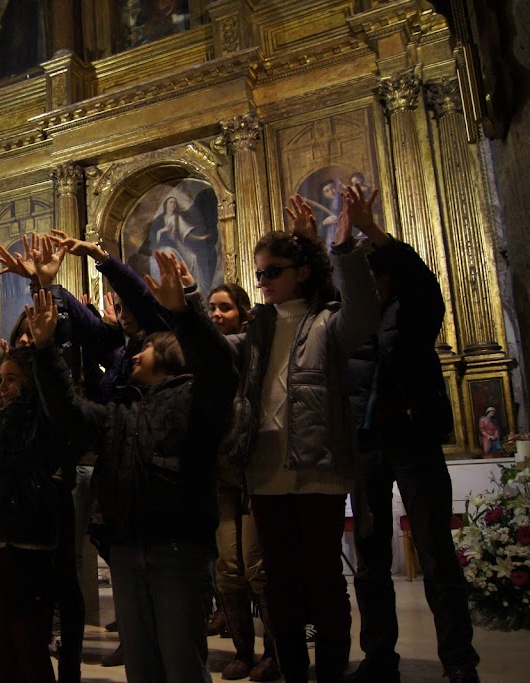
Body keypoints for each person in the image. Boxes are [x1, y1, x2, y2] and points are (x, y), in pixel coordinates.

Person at [33, 252, 238, 683]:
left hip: (178, 550)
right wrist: (46, 351)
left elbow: (218, 366)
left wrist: (186, 311)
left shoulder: (198, 399)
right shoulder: (121, 410)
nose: (134, 352)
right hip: (127, 548)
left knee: (182, 662)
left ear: (168, 354)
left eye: (145, 347)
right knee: (142, 666)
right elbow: (70, 412)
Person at [226, 187, 382, 683]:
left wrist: (344, 247)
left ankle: (330, 675)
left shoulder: (327, 323)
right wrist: (183, 301)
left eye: (274, 272)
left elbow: (365, 313)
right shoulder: (259, 329)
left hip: (318, 469)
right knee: (279, 583)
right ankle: (294, 673)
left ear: (303, 273)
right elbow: (209, 348)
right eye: (260, 274)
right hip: (267, 471)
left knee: (323, 579)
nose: (264, 282)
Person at [346, 232, 481, 683]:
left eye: (376, 275)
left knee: (436, 553)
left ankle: (459, 659)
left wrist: (380, 238)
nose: (371, 284)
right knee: (370, 558)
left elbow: (422, 283)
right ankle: (380, 656)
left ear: (387, 276)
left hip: (412, 440)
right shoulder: (352, 321)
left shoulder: (415, 310)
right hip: (366, 445)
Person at [0, 251, 67, 682]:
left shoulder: (43, 407)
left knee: (27, 643)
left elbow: (55, 371)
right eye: (1, 380)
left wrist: (42, 289)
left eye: (11, 380)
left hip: (22, 534)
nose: (1, 387)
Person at [208, 284, 281, 682]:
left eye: (225, 308)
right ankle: (241, 650)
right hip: (220, 471)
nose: (217, 315)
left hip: (252, 469)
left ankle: (275, 651)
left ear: (242, 312)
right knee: (228, 568)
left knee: (257, 567)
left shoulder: (252, 348)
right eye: (212, 309)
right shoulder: (204, 357)